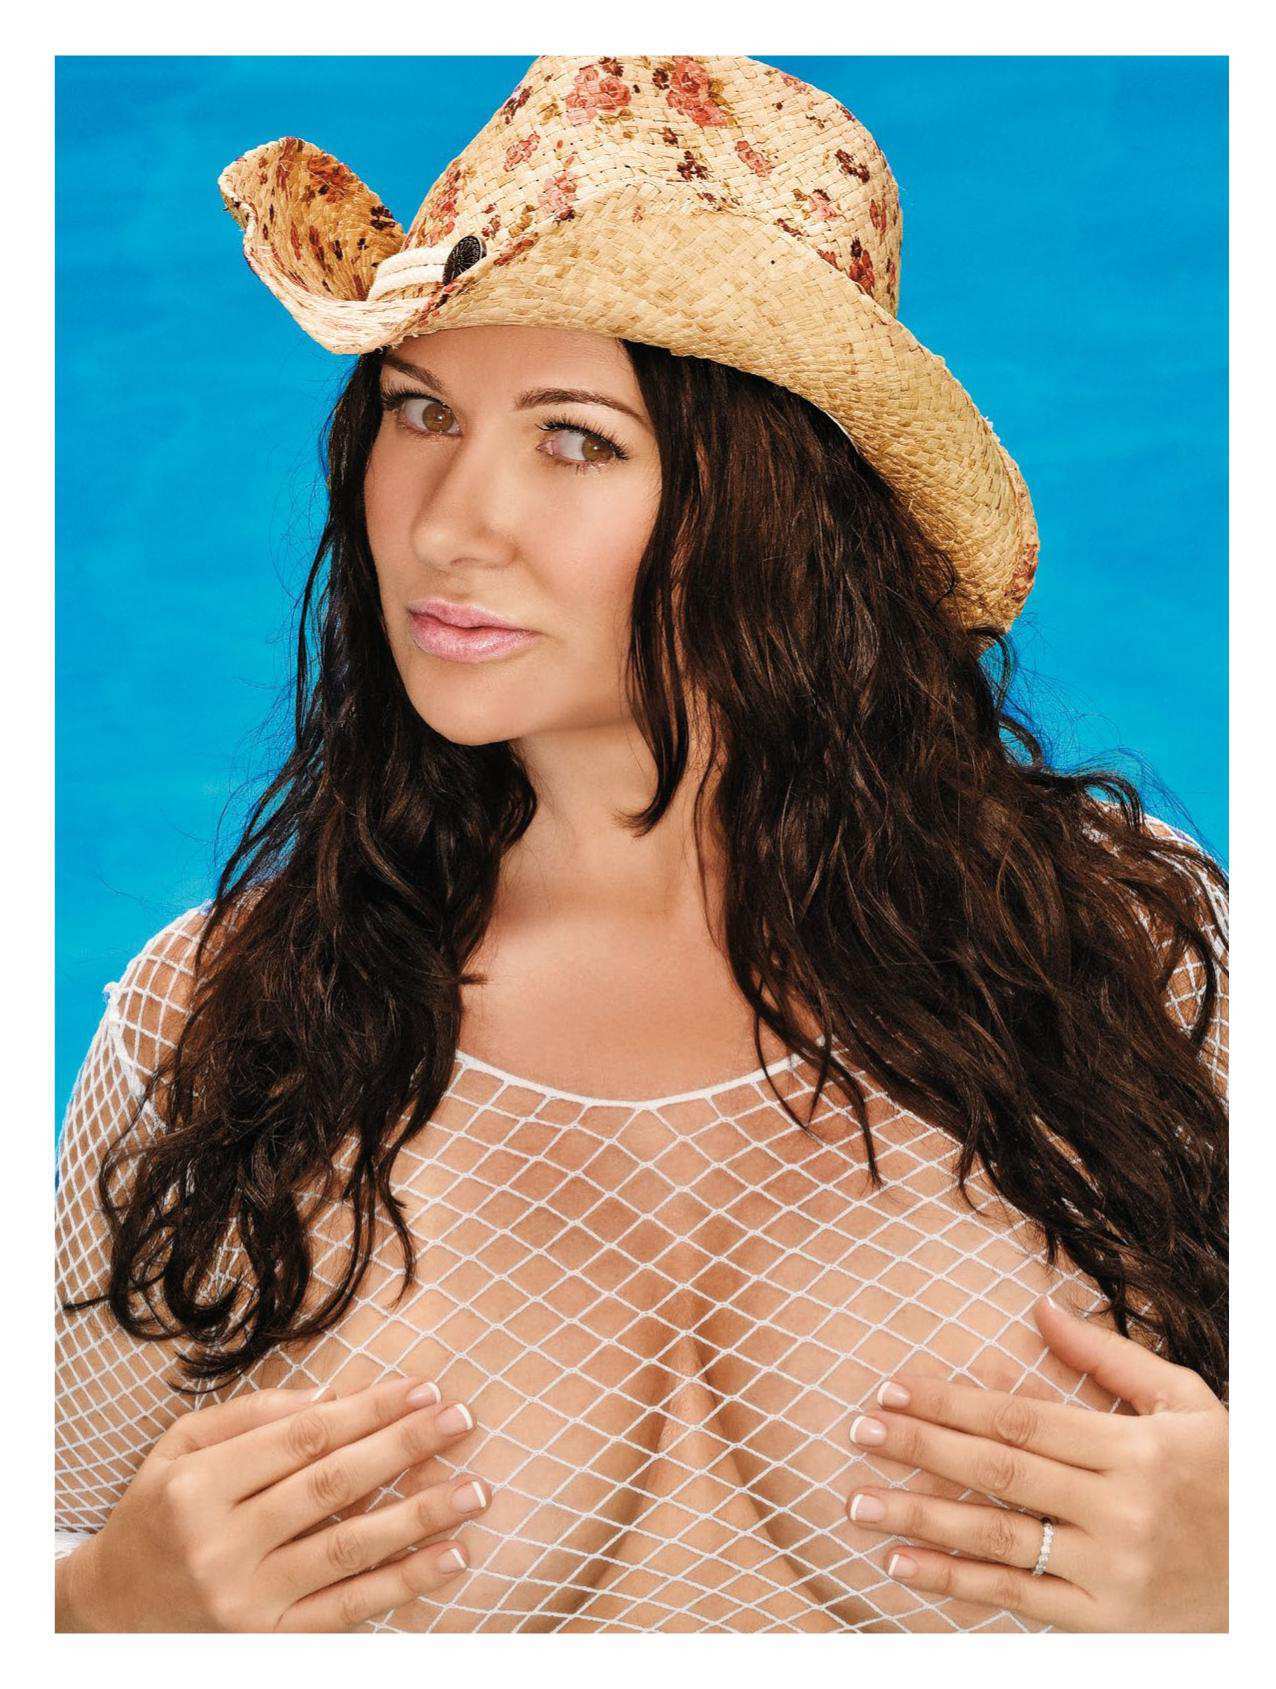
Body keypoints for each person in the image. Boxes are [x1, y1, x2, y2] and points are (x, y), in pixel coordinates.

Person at [54, 55, 1228, 1634]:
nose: (448, 522)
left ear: (779, 500)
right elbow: (47, 1543)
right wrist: (100, 1613)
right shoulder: (217, 1022)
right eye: (419, 410)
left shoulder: (1138, 965)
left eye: (577, 438)